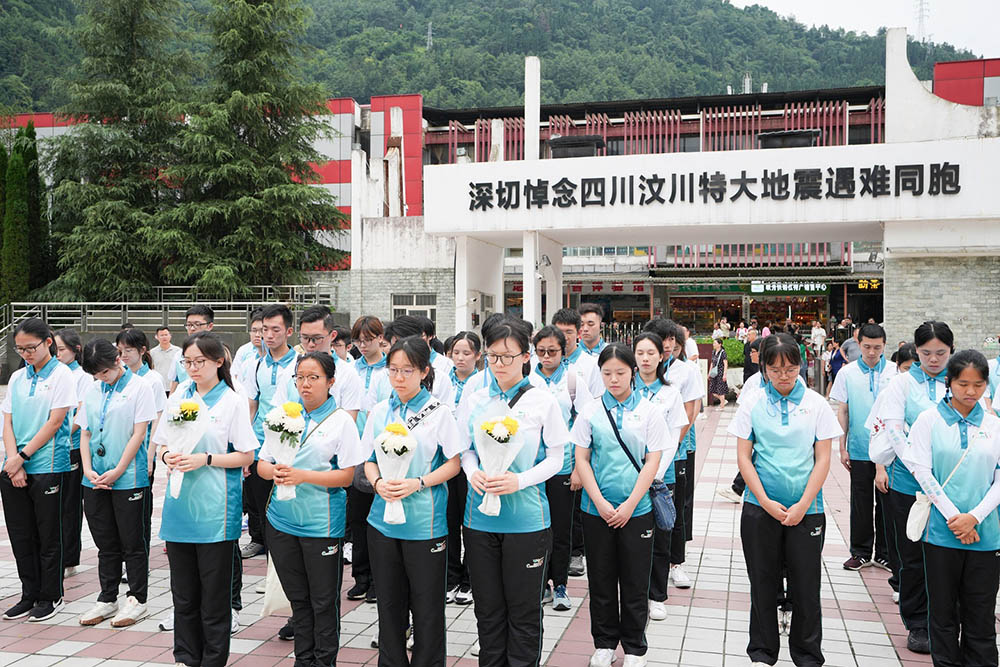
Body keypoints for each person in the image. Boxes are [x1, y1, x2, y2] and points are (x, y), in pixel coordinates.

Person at [456, 317, 570, 667]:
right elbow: (465, 450)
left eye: (507, 356)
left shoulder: (542, 401)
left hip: (527, 521)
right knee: (488, 610)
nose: (499, 364)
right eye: (493, 356)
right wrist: (473, 473)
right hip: (480, 521)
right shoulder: (475, 399)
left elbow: (556, 457)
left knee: (523, 611)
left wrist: (519, 481)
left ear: (525, 357)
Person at [729, 333, 842, 667]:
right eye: (776, 369)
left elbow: (823, 459)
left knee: (806, 587)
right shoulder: (752, 403)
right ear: (764, 368)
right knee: (762, 584)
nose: (783, 376)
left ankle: (807, 656)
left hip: (807, 511)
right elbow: (744, 457)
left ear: (801, 366)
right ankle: (762, 654)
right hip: (759, 509)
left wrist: (804, 504)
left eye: (791, 369)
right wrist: (764, 500)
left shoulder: (816, 404)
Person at [152, 332, 256, 667]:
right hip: (179, 507)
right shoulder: (180, 395)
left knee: (213, 597)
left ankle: (213, 659)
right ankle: (186, 657)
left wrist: (206, 459)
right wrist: (166, 456)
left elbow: (246, 456)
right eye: (188, 362)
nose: (193, 368)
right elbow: (162, 441)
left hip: (215, 510)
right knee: (183, 594)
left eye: (200, 361)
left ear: (218, 361)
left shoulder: (232, 400)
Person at [257, 352, 365, 667]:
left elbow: (347, 476)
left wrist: (303, 476)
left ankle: (324, 661)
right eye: (300, 377)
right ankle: (303, 660)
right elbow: (262, 464)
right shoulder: (284, 416)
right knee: (299, 600)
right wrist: (274, 472)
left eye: (314, 377)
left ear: (331, 382)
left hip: (321, 523)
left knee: (323, 601)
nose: (305, 384)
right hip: (281, 521)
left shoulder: (341, 421)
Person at [362, 337, 464, 665]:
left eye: (407, 370)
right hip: (382, 522)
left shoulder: (439, 413)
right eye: (393, 370)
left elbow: (454, 463)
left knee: (427, 607)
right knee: (389, 605)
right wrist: (378, 483)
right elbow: (368, 460)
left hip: (424, 523)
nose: (399, 377)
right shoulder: (380, 411)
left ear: (424, 371)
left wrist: (418, 483)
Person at [572, 343, 673, 667]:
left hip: (637, 511)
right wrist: (600, 502)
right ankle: (604, 644)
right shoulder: (590, 411)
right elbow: (582, 459)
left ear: (633, 372)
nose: (613, 379)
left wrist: (630, 504)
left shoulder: (649, 411)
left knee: (634, 581)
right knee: (601, 580)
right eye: (607, 373)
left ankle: (634, 648)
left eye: (620, 373)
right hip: (595, 510)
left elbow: (652, 461)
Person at [902, 350, 1000, 667]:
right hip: (941, 534)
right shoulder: (928, 420)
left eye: (978, 385)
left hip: (986, 535)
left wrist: (974, 517)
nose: (971, 391)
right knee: (943, 615)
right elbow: (922, 472)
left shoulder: (995, 425)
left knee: (981, 617)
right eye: (963, 384)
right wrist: (955, 518)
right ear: (949, 382)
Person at [868, 320, 955, 655]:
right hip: (909, 484)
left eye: (941, 353)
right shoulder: (901, 384)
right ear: (916, 351)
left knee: (949, 557)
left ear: (951, 350)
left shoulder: (959, 379)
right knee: (913, 555)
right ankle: (917, 623)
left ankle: (947, 620)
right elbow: (893, 432)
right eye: (926, 353)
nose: (933, 359)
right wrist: (920, 469)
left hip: (953, 484)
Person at [1, 318, 78, 622]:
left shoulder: (62, 375)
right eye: (20, 349)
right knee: (21, 534)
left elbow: (55, 422)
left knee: (48, 535)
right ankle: (29, 593)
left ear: (48, 342)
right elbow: (7, 421)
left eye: (30, 348)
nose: (26, 354)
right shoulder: (18, 377)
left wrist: (22, 456)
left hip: (47, 464)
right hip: (14, 466)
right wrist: (13, 461)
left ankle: (51, 595)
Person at [76, 338, 157, 627]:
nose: (102, 378)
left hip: (129, 478)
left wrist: (119, 469)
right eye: (96, 374)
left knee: (133, 542)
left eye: (105, 372)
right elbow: (85, 432)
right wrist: (87, 469)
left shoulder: (140, 387)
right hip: (95, 478)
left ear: (118, 360)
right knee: (106, 542)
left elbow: (139, 433)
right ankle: (107, 597)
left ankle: (137, 599)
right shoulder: (92, 389)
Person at [529, 325, 594, 612]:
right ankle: (540, 583)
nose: (546, 357)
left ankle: (561, 585)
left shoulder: (573, 381)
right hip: (532, 468)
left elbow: (586, 425)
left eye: (552, 351)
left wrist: (579, 467)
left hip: (564, 467)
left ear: (563, 351)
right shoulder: (527, 380)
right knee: (536, 528)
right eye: (541, 351)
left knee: (561, 528)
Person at [829, 324, 896, 573]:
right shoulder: (847, 373)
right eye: (867, 346)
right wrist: (842, 446)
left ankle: (885, 555)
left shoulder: (894, 372)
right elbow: (843, 410)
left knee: (887, 504)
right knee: (860, 503)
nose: (871, 352)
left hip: (888, 452)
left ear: (884, 345)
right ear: (859, 344)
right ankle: (860, 552)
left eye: (877, 347)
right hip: (859, 448)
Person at [632, 332, 689, 622]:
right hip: (628, 477)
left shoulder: (670, 393)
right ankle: (633, 593)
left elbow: (673, 437)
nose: (645, 359)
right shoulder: (624, 389)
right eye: (640, 353)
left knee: (660, 537)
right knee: (631, 537)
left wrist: (654, 472)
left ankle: (656, 596)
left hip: (661, 477)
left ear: (661, 356)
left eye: (650, 353)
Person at [244, 304, 298, 560]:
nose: (268, 335)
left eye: (275, 330)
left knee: (287, 508)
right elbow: (251, 406)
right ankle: (267, 558)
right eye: (264, 329)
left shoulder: (300, 364)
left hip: (290, 446)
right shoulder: (255, 365)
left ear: (289, 331)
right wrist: (246, 449)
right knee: (260, 505)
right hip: (260, 447)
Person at [347, 315, 388, 604]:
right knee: (358, 518)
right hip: (354, 452)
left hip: (383, 453)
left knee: (379, 520)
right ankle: (361, 577)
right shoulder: (350, 370)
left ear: (380, 338)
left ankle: (378, 579)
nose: (363, 345)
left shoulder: (390, 370)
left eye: (368, 340)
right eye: (358, 341)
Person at [54, 328, 94, 579]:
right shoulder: (54, 374)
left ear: (76, 350)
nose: (57, 354)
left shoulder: (82, 378)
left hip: (71, 448)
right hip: (50, 448)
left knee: (70, 505)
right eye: (55, 349)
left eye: (61, 349)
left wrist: (60, 434)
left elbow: (80, 414)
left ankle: (69, 559)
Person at [446, 331, 482, 605]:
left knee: (469, 521)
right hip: (447, 461)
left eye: (466, 353)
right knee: (449, 520)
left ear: (478, 356)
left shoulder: (482, 384)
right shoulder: (440, 380)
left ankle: (469, 580)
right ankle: (450, 578)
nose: (460, 358)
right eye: (456, 352)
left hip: (472, 461)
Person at [168, 305, 216, 393]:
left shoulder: (218, 353)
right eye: (189, 325)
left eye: (197, 324)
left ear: (210, 326)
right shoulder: (179, 355)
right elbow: (175, 382)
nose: (192, 328)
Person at [232, 310, 264, 390]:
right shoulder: (243, 352)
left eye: (261, 331)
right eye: (254, 331)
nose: (257, 335)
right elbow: (234, 376)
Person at [708, 338, 729, 408]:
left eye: (715, 343)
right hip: (714, 373)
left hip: (720, 373)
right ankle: (723, 401)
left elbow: (725, 364)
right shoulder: (714, 352)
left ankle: (722, 406)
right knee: (713, 391)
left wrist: (724, 374)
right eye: (713, 343)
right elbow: (712, 363)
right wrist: (709, 373)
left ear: (720, 344)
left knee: (720, 391)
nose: (713, 344)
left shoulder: (723, 352)